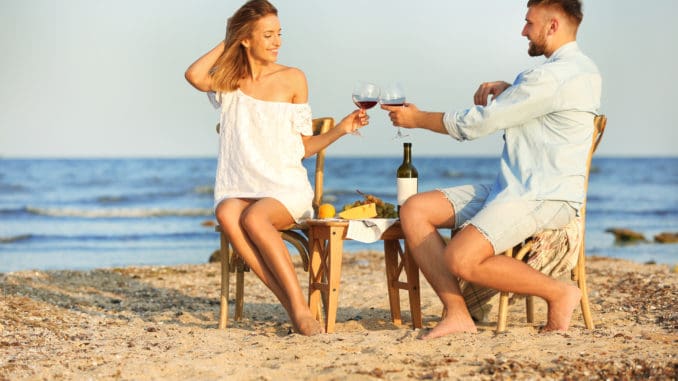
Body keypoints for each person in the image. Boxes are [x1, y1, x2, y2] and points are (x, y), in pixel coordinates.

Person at [381, 0, 601, 339]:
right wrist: (513, 92)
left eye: (529, 23)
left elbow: (479, 123)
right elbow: (547, 108)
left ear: (552, 25)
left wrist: (417, 119)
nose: (523, 30)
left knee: (460, 258)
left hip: (542, 195)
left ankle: (559, 292)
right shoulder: (581, 70)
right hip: (513, 188)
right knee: (415, 209)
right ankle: (457, 314)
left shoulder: (549, 76)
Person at [185, 0, 368, 336]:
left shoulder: (293, 78)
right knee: (227, 212)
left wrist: (341, 128)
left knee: (254, 218)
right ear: (246, 39)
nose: (277, 42)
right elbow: (194, 75)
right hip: (241, 185)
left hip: (285, 188)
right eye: (267, 35)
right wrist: (228, 40)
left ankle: (298, 311)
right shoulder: (230, 81)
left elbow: (302, 148)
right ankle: (291, 305)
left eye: (278, 34)